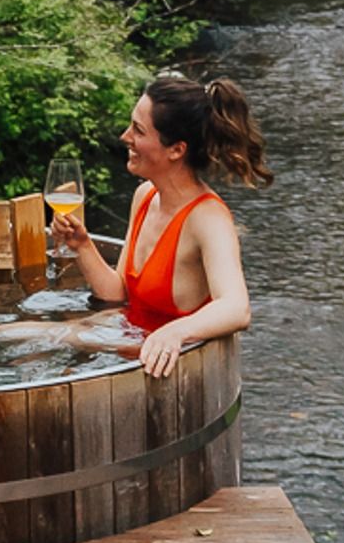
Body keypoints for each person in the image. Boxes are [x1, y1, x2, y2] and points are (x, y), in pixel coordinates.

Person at [47, 68, 264, 376]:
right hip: (126, 341)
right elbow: (117, 294)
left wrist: (176, 332)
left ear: (176, 150)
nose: (125, 137)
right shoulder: (145, 196)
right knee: (6, 333)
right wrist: (81, 246)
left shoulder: (208, 219)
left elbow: (236, 308)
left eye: (138, 130)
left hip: (161, 367)